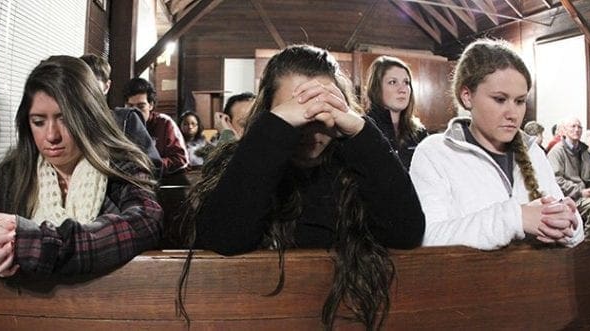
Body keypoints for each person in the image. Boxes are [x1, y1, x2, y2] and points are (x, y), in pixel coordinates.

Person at [174, 45, 425, 330]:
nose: (310, 129)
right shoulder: (241, 163)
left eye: (321, 112)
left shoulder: (356, 169)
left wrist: (360, 131)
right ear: (269, 113)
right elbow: (224, 237)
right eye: (296, 113)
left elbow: (406, 232)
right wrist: (276, 128)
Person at [0, 56, 163, 277]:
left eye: (64, 119)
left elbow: (146, 222)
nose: (51, 136)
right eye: (39, 122)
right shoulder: (19, 171)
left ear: (89, 117)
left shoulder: (121, 164)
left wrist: (35, 245)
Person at [410, 39, 584, 250]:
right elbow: (428, 237)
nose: (513, 114)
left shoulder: (533, 152)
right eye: (500, 99)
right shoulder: (435, 153)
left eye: (519, 101)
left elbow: (571, 234)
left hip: (538, 279)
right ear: (467, 97)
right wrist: (516, 218)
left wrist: (569, 222)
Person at [79, 54, 162, 174]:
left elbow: (153, 165)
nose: (86, 92)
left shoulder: (126, 120)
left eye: (92, 86)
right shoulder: (65, 122)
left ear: (107, 87)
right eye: (81, 86)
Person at [365, 55, 428, 169]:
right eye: (393, 82)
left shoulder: (419, 132)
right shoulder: (364, 128)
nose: (402, 89)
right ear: (376, 88)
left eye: (406, 82)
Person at [123, 77, 189, 180]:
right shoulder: (122, 123)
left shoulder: (165, 123)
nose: (135, 112)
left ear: (151, 105)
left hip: (162, 183)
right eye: (130, 106)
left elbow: (181, 160)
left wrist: (150, 166)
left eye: (141, 107)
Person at [547, 117, 590, 238]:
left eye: (579, 127)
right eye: (573, 126)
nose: (577, 130)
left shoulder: (585, 151)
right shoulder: (557, 152)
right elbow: (556, 180)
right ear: (564, 131)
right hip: (568, 197)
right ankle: (586, 242)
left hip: (586, 194)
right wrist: (580, 191)